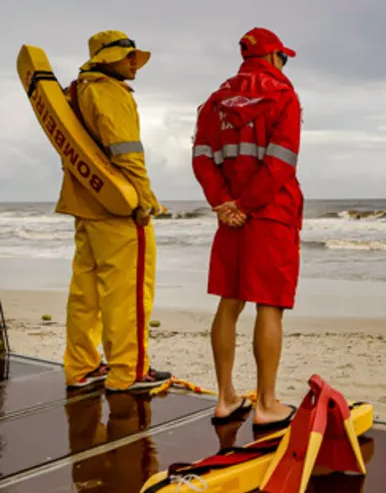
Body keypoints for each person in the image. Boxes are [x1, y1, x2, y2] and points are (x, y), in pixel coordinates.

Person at [191, 27, 303, 432]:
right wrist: (247, 205)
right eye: (283, 58)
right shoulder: (283, 96)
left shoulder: (213, 102)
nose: (284, 65)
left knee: (229, 301)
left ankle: (225, 398)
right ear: (274, 58)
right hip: (270, 215)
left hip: (230, 217)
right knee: (268, 306)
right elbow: (281, 161)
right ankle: (267, 403)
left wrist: (224, 204)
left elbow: (202, 158)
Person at [59, 29, 172, 392]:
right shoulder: (109, 92)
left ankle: (81, 367)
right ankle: (129, 372)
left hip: (85, 203)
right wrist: (144, 198)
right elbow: (127, 151)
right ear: (109, 58)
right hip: (116, 208)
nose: (135, 64)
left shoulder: (74, 92)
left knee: (86, 292)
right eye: (129, 58)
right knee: (129, 292)